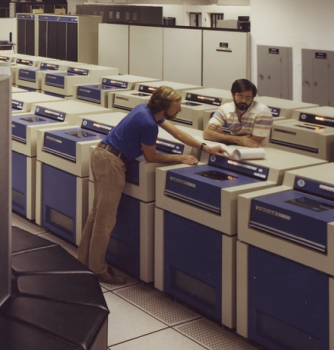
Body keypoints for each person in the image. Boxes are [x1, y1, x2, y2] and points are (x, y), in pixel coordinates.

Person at [77, 85, 227, 285]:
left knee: (97, 214)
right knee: (105, 221)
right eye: (177, 106)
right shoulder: (149, 124)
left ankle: (83, 263)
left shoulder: (144, 109)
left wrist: (204, 147)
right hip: (111, 164)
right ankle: (98, 270)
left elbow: (176, 133)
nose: (180, 110)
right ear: (163, 107)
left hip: (102, 155)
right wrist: (179, 157)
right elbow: (151, 156)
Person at [203, 78, 273, 147]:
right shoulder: (225, 108)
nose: (243, 101)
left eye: (248, 98)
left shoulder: (262, 111)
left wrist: (223, 135)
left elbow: (254, 142)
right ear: (233, 95)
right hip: (233, 149)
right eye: (240, 97)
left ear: (253, 98)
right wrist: (239, 139)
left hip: (256, 151)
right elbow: (207, 134)